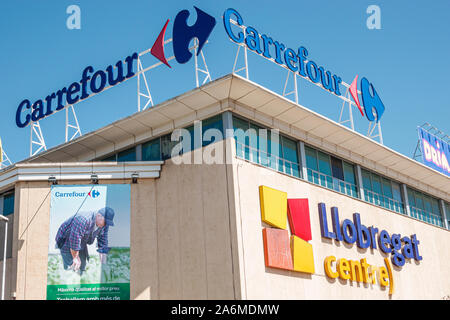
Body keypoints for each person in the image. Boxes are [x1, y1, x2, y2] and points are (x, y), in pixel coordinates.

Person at [55, 207, 115, 274]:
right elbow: (75, 238)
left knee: (82, 267)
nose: (106, 225)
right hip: (66, 241)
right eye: (105, 222)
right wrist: (75, 258)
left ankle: (81, 277)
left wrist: (104, 263)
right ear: (98, 216)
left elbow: (103, 240)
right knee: (72, 268)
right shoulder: (83, 219)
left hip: (81, 242)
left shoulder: (104, 224)